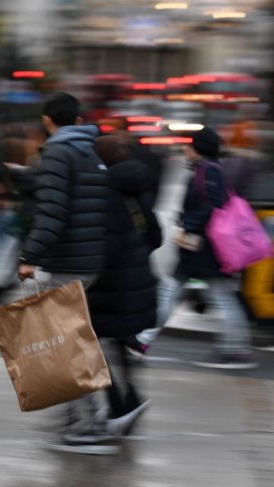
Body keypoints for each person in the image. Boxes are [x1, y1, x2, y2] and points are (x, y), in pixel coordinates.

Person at [15, 92, 110, 454]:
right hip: (88, 260)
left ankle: (91, 424)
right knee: (75, 339)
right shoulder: (88, 150)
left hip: (68, 262)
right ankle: (80, 416)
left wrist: (29, 256)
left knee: (68, 345)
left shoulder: (57, 151)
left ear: (46, 120)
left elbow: (52, 213)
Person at [134, 127, 258, 370]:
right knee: (193, 293)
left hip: (204, 248)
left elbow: (212, 206)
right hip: (202, 248)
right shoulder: (209, 169)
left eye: (190, 145)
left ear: (198, 148)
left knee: (183, 293)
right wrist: (184, 217)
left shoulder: (210, 171)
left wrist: (187, 224)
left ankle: (234, 349)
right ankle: (234, 348)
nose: (185, 148)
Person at [89, 135, 162, 439]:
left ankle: (117, 404)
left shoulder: (104, 192)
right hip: (136, 278)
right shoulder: (137, 188)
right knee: (118, 339)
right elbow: (156, 235)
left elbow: (105, 243)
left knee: (86, 340)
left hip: (110, 281)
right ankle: (128, 398)